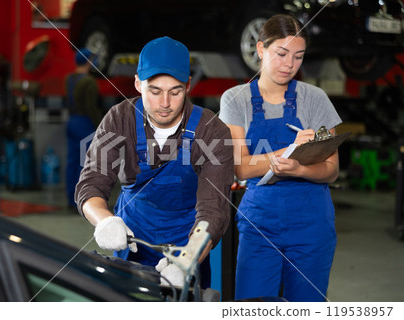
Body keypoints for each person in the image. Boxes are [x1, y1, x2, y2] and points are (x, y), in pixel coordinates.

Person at [75, 36, 233, 287]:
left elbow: (214, 211)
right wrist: (104, 220)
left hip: (189, 245)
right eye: (155, 91)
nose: (165, 104)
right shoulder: (119, 120)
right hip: (130, 241)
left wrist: (188, 259)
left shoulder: (211, 131)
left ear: (189, 85)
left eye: (175, 91)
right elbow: (91, 183)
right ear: (138, 83)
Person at [219, 14, 342, 302]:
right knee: (252, 305)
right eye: (282, 53)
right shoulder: (235, 99)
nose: (290, 64)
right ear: (260, 49)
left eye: (298, 56)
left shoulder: (316, 99)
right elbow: (240, 166)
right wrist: (285, 154)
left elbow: (332, 169)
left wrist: (299, 168)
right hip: (260, 224)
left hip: (312, 224)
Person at [65, 48, 102, 208]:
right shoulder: (89, 82)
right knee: (85, 164)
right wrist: (101, 126)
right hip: (85, 124)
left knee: (72, 163)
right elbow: (91, 107)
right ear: (87, 61)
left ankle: (71, 200)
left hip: (72, 121)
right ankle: (83, 201)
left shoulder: (69, 79)